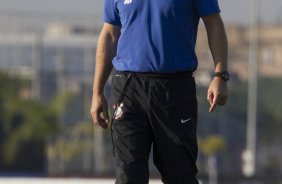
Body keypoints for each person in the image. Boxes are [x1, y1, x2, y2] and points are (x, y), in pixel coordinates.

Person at [91, 0, 228, 183]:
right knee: (129, 174)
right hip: (127, 88)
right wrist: (97, 92)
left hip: (174, 89)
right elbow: (109, 34)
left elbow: (213, 23)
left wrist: (220, 74)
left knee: (179, 174)